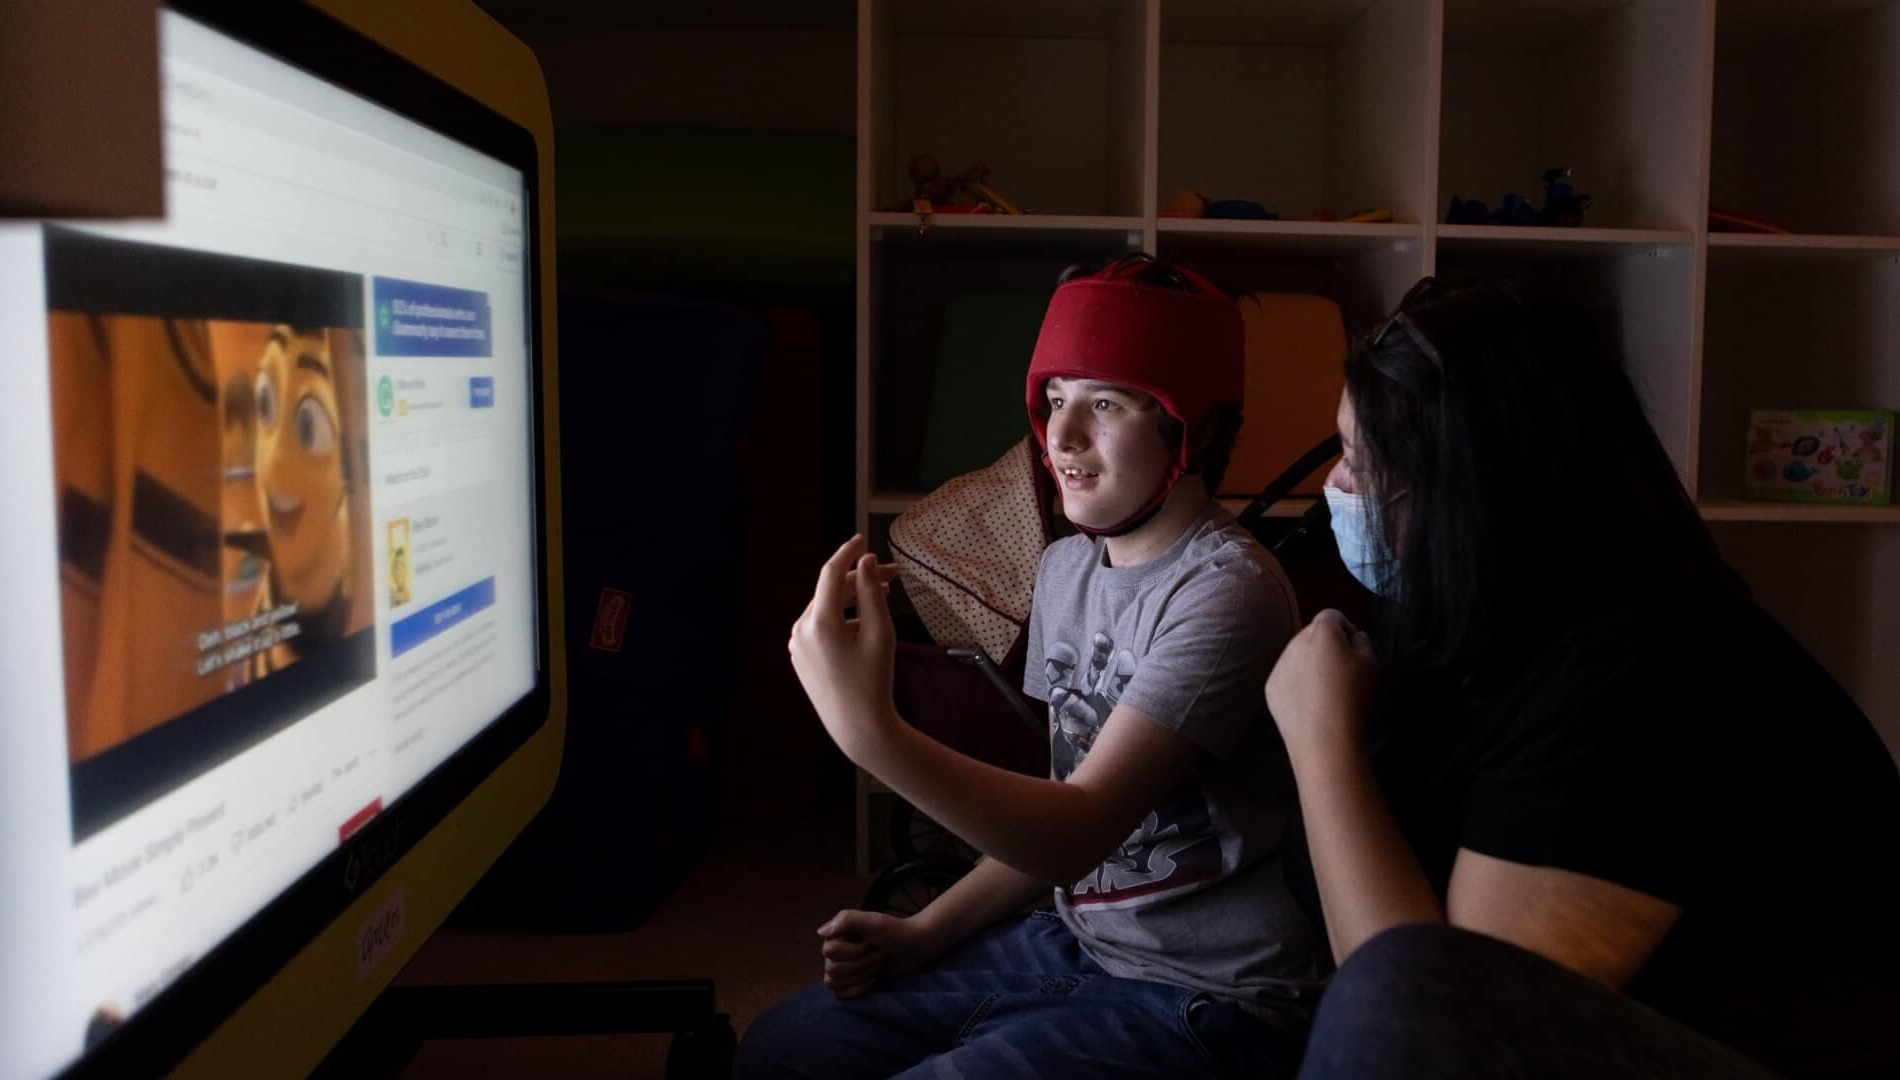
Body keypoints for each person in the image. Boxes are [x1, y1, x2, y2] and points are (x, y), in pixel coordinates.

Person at [1263, 278, 1900, 1078]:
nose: (1336, 497)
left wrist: (1323, 745)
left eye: (1362, 465)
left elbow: (1425, 1029)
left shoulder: (1642, 677)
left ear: (1475, 490)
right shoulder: (1479, 617)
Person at [736, 255, 1327, 1078]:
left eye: (1106, 403)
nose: (1061, 435)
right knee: (780, 1052)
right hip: (1076, 942)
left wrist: (869, 730)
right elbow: (1050, 816)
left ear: (1191, 427)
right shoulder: (1066, 570)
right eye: (1055, 399)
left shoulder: (1229, 596)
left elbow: (1076, 829)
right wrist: (926, 932)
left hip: (1208, 996)